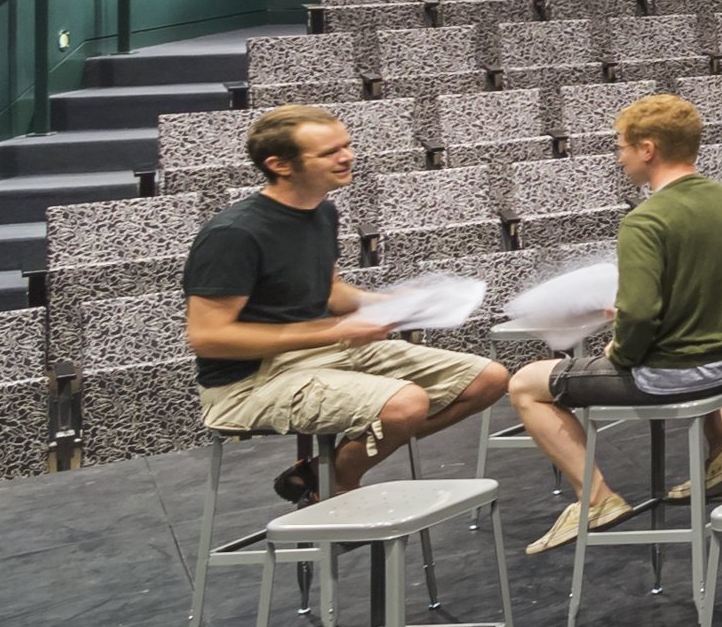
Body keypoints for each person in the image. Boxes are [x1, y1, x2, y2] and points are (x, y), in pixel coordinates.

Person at [184, 109, 510, 498]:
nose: (348, 157)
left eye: (347, 146)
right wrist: (334, 331)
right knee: (405, 404)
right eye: (330, 152)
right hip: (250, 382)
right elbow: (209, 337)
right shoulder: (234, 235)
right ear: (280, 165)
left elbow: (330, 292)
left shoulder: (322, 211)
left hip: (325, 351)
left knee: (487, 379)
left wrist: (389, 303)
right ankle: (337, 484)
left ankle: (323, 475)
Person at [506, 93, 722, 552]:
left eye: (622, 147)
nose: (620, 157)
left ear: (648, 149)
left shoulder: (645, 222)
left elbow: (642, 316)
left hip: (682, 375)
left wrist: (621, 350)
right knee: (693, 338)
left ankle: (596, 499)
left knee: (524, 384)